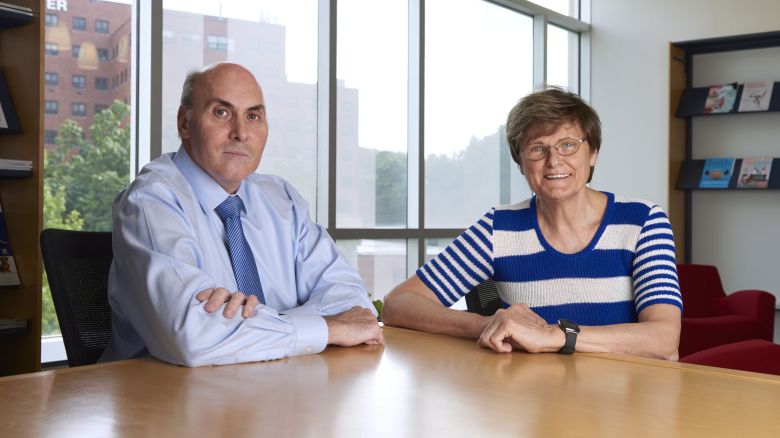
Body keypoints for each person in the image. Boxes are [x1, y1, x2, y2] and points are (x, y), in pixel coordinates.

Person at [100, 63, 382, 367]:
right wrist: (325, 327)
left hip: (280, 383)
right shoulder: (150, 202)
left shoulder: (281, 199)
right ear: (185, 123)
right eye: (221, 112)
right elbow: (194, 337)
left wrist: (250, 325)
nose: (241, 133)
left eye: (253, 116)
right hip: (165, 390)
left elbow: (353, 302)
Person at [381, 88, 682, 360]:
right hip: (531, 395)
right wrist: (489, 324)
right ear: (520, 163)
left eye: (568, 145)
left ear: (593, 154)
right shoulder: (499, 228)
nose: (554, 161)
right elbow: (398, 304)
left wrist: (557, 336)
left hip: (624, 397)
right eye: (537, 148)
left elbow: (665, 340)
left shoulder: (644, 221)